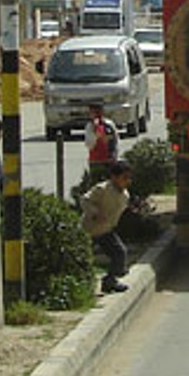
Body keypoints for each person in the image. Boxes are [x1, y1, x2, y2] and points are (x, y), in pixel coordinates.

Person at [78, 160, 133, 294]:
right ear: (114, 177)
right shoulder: (102, 189)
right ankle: (82, 284)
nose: (127, 181)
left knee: (120, 253)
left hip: (107, 231)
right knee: (83, 258)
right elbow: (84, 200)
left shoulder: (125, 195)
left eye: (129, 178)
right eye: (124, 178)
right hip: (89, 230)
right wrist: (95, 213)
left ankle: (110, 281)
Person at [77, 101, 120, 194]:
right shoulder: (90, 126)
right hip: (96, 160)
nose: (94, 115)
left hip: (109, 160)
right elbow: (89, 144)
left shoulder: (109, 124)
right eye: (92, 112)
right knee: (96, 186)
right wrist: (95, 133)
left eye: (97, 112)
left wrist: (114, 155)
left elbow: (115, 140)